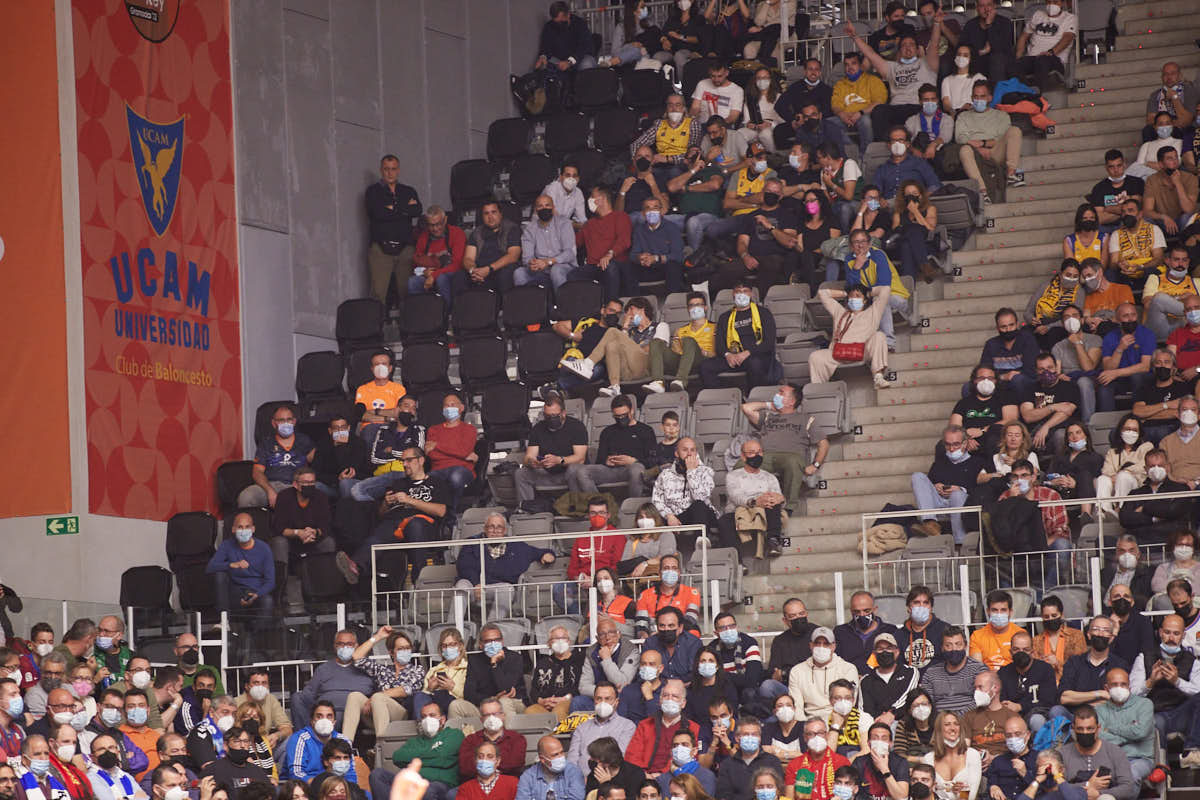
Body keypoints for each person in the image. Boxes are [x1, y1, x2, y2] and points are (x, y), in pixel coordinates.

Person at [339, 446, 449, 589]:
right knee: (380, 531)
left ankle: (419, 580)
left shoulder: (436, 482)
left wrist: (409, 500)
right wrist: (386, 503)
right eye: (402, 461)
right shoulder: (398, 483)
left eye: (408, 460)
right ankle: (356, 567)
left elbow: (441, 511)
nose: (404, 464)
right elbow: (381, 514)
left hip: (422, 522)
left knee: (415, 524)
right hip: (395, 523)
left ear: (421, 460)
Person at [846, 24, 941, 139]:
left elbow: (934, 44)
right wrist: (855, 36)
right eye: (904, 45)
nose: (907, 47)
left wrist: (936, 23)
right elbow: (870, 54)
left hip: (918, 106)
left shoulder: (927, 64)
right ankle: (884, 145)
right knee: (879, 110)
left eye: (911, 44)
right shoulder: (891, 67)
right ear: (899, 50)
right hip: (896, 108)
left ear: (917, 49)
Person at [455, 515, 554, 620]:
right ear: (485, 529)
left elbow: (537, 552)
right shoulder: (472, 543)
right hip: (474, 587)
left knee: (507, 589)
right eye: (491, 527)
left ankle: (491, 628)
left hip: (496, 589)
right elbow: (463, 566)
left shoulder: (516, 546)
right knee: (461, 585)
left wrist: (547, 554)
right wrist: (476, 584)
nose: (495, 531)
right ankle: (453, 628)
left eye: (499, 527)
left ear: (505, 530)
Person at [561, 298, 658, 397]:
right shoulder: (628, 331)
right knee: (611, 346)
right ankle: (615, 387)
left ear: (642, 309)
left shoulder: (659, 326)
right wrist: (625, 328)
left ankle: (587, 364)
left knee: (612, 331)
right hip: (627, 369)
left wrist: (629, 343)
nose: (628, 315)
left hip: (644, 366)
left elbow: (654, 349)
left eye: (631, 309)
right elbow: (622, 351)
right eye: (626, 312)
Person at [720, 179, 799, 296]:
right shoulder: (750, 217)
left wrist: (769, 227)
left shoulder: (787, 215)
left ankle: (759, 300)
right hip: (752, 257)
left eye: (775, 192)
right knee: (726, 270)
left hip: (775, 257)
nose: (771, 194)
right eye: (768, 191)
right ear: (762, 192)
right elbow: (742, 242)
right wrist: (745, 256)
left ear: (781, 196)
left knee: (771, 264)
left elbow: (790, 242)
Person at [368, 701, 462, 800]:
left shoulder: (454, 734)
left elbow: (443, 757)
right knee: (377, 774)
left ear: (442, 720)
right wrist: (432, 752)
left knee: (427, 790)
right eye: (424, 717)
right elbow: (398, 757)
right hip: (412, 782)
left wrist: (414, 757)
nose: (427, 720)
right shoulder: (415, 741)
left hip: (440, 784)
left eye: (432, 715)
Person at [344, 626, 427, 738]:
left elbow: (406, 690)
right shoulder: (383, 670)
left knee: (378, 697)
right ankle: (346, 744)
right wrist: (377, 637)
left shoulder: (417, 670)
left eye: (408, 648)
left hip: (402, 716)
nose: (405, 651)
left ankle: (381, 745)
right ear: (392, 652)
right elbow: (356, 657)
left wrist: (376, 696)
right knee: (354, 696)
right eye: (401, 649)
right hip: (378, 716)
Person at [910, 426, 984, 546]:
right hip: (940, 502)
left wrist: (961, 489)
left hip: (964, 502)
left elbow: (983, 490)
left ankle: (960, 541)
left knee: (957, 494)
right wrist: (935, 486)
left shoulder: (978, 463)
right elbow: (927, 487)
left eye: (956, 444)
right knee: (917, 476)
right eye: (948, 445)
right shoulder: (939, 463)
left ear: (965, 443)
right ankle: (930, 523)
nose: (952, 448)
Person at [287, 631, 375, 730]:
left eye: (349, 644)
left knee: (336, 718)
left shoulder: (367, 669)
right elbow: (308, 695)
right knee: (297, 697)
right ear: (335, 646)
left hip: (355, 714)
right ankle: (306, 738)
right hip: (326, 712)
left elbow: (379, 693)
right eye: (341, 644)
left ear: (357, 646)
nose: (345, 648)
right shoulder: (323, 669)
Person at [514, 395, 588, 510]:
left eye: (554, 416)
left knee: (575, 469)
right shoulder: (538, 428)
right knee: (521, 473)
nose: (551, 419)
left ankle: (578, 508)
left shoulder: (576, 427)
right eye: (547, 416)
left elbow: (580, 458)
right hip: (546, 473)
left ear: (563, 413)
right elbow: (528, 457)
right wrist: (533, 462)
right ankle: (526, 510)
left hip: (568, 474)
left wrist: (559, 460)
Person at [810, 284, 891, 389]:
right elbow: (822, 293)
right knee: (815, 357)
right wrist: (845, 293)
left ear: (865, 300)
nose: (854, 299)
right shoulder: (840, 312)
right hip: (838, 353)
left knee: (879, 336)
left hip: (862, 351)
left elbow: (886, 289)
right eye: (851, 297)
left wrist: (868, 293)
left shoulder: (873, 312)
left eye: (858, 296)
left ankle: (878, 377)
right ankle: (818, 390)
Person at [955, 81, 1024, 204]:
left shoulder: (1001, 115)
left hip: (996, 152)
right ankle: (983, 192)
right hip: (974, 154)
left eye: (982, 96)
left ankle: (1011, 173)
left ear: (990, 98)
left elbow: (1000, 138)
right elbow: (960, 138)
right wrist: (978, 148)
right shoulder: (963, 116)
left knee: (1015, 130)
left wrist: (983, 143)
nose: (978, 100)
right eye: (976, 96)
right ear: (971, 98)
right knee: (964, 149)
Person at [366, 154, 422, 306]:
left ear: (398, 170)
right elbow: (377, 213)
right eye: (386, 169)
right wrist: (404, 209)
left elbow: (417, 210)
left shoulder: (408, 190)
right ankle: (375, 329)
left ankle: (409, 329)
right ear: (381, 170)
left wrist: (392, 209)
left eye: (393, 169)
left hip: (405, 248)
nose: (390, 173)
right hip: (381, 249)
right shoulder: (373, 192)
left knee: (408, 293)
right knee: (378, 294)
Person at [555, 497, 624, 615]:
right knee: (559, 589)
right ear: (588, 515)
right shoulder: (581, 538)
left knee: (602, 592)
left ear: (608, 515)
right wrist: (581, 579)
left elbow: (617, 565)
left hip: (605, 581)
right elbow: (572, 569)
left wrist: (596, 580)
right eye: (593, 513)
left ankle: (596, 619)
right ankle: (579, 620)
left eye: (601, 513)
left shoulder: (618, 536)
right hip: (582, 583)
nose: (597, 516)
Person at [718, 438, 786, 556]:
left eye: (759, 452)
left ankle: (773, 541)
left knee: (772, 504)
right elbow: (736, 497)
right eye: (752, 453)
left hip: (764, 510)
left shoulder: (770, 477)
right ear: (743, 457)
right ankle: (737, 560)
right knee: (724, 522)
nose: (757, 455)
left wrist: (780, 498)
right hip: (739, 511)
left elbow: (777, 496)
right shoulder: (733, 476)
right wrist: (755, 502)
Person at [238, 405, 315, 509]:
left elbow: (318, 461)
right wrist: (270, 491)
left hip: (297, 486)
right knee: (246, 498)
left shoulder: (304, 441)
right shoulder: (266, 443)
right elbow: (257, 472)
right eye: (281, 420)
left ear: (294, 421)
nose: (286, 423)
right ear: (274, 423)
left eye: (289, 420)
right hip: (271, 485)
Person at [205, 513, 274, 625]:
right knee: (220, 575)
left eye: (247, 527)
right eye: (240, 527)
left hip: (255, 592)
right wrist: (231, 565)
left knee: (268, 601)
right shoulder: (227, 545)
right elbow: (210, 567)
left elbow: (270, 581)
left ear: (253, 529)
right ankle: (224, 621)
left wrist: (257, 595)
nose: (243, 530)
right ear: (233, 529)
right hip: (235, 593)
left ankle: (259, 636)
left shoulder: (264, 548)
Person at [1059, 707, 1137, 800]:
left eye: (1090, 728)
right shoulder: (1062, 754)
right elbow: (1056, 788)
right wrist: (1088, 784)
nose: (1085, 732)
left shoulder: (1115, 752)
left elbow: (1128, 788)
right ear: (1073, 728)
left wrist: (1098, 793)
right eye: (1080, 729)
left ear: (1098, 728)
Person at [1118, 447, 1190, 545]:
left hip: (1170, 540)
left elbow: (1173, 511)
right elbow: (1125, 518)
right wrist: (1154, 518)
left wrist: (1144, 508)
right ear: (1146, 469)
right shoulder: (1136, 493)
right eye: (1152, 466)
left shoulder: (1180, 489)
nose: (1156, 469)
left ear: (1168, 467)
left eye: (1160, 465)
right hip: (1140, 541)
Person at [424, 392, 478, 521]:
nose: (449, 408)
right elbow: (433, 455)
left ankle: (449, 514)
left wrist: (437, 445)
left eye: (453, 405)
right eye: (446, 405)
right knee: (427, 481)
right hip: (437, 470)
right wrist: (461, 454)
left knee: (456, 477)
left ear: (461, 408)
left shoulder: (469, 429)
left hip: (462, 470)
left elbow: (465, 450)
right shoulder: (433, 430)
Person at [650, 438, 719, 538]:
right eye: (685, 450)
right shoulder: (665, 475)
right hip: (676, 516)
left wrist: (691, 472)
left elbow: (700, 498)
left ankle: (702, 542)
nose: (689, 453)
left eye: (693, 450)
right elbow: (657, 500)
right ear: (677, 453)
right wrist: (669, 516)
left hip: (701, 514)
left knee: (699, 505)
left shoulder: (706, 472)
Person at [647, 293, 714, 394]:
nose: (695, 308)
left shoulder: (715, 327)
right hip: (682, 361)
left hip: (703, 360)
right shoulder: (680, 330)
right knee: (656, 342)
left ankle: (681, 380)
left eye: (698, 305)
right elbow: (676, 352)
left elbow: (720, 351)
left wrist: (705, 353)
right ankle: (658, 382)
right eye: (691, 305)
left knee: (688, 340)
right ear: (688, 309)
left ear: (705, 307)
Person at [452, 199, 522, 295]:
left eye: (493, 212)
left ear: (500, 214)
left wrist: (488, 269)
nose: (490, 217)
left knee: (505, 275)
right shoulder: (476, 233)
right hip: (479, 270)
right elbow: (468, 258)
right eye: (486, 213)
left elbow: (513, 256)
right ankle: (462, 308)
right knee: (459, 276)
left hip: (499, 268)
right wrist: (473, 271)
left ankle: (504, 308)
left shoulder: (512, 228)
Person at [576, 185, 633, 299]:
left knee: (609, 267)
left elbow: (624, 241)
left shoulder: (620, 216)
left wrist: (610, 254)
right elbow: (574, 243)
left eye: (592, 197)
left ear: (602, 199)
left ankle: (611, 308)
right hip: (593, 266)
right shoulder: (589, 224)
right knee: (572, 274)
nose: (590, 200)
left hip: (616, 264)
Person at [665, 148, 726, 252]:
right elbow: (671, 187)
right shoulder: (682, 176)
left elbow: (715, 185)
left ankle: (694, 257)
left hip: (708, 215)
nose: (697, 154)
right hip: (685, 217)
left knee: (693, 221)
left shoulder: (712, 171)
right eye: (692, 153)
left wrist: (688, 188)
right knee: (657, 220)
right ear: (686, 160)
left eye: (699, 152)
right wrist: (693, 170)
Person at [631, 95, 704, 182]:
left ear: (684, 108)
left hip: (681, 165)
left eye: (678, 105)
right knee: (647, 174)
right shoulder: (659, 124)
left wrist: (668, 159)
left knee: (674, 172)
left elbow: (693, 154)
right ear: (666, 108)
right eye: (670, 105)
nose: (674, 108)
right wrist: (639, 160)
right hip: (659, 164)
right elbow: (636, 144)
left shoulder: (692, 123)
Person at [788, 630, 858, 719]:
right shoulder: (797, 671)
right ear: (811, 645)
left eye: (826, 644)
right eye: (817, 643)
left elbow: (848, 703)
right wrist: (803, 727)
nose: (821, 647)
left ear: (833, 646)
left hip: (838, 719)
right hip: (809, 721)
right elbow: (797, 707)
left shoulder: (848, 669)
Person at [1098, 302, 1154, 414]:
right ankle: (1107, 422)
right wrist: (1119, 349)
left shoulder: (1147, 334)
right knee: (1104, 384)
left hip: (1142, 377)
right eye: (1125, 316)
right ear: (1118, 320)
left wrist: (1116, 373)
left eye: (1133, 315)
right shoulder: (1110, 337)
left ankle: (1137, 416)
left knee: (1136, 377)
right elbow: (1108, 368)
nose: (1130, 319)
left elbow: (1145, 366)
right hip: (1120, 380)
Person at [568, 683, 636, 771]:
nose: (603, 703)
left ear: (616, 702)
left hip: (610, 780)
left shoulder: (627, 726)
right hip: (580, 780)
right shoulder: (581, 727)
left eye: (607, 699)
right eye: (599, 698)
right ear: (594, 701)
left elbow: (619, 758)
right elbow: (572, 759)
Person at [999, 631, 1058, 732]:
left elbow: (1048, 701)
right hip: (1011, 718)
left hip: (1038, 715)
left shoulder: (1045, 669)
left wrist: (1020, 706)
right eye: (1016, 649)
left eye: (1026, 649)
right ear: (1010, 652)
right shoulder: (1003, 673)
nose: (1021, 653)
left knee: (1037, 719)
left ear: (1032, 652)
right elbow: (1002, 702)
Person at [919, 629, 988, 716]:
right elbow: (927, 702)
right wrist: (941, 720)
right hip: (939, 722)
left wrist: (955, 718)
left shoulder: (979, 669)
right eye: (948, 645)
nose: (954, 649)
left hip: (970, 720)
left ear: (965, 646)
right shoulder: (931, 673)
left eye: (958, 644)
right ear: (942, 648)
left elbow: (982, 700)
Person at [408, 207, 466, 309]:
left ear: (445, 220)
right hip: (430, 273)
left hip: (451, 272)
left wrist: (434, 275)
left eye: (438, 224)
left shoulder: (457, 233)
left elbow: (458, 264)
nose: (435, 229)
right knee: (413, 282)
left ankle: (446, 314)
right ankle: (421, 315)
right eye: (431, 225)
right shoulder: (423, 237)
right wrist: (424, 272)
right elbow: (416, 263)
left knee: (441, 278)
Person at [515, 195, 577, 290]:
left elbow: (569, 253)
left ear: (553, 208)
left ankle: (564, 303)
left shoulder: (564, 223)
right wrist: (532, 263)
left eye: (547, 205)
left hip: (564, 266)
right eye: (540, 206)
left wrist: (549, 261)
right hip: (541, 270)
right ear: (536, 210)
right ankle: (527, 304)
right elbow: (527, 258)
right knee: (519, 272)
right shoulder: (530, 229)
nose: (544, 208)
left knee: (556, 270)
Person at [457, 697, 526, 781]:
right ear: (481, 719)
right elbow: (465, 768)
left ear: (503, 716)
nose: (491, 718)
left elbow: (515, 765)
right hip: (476, 783)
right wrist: (496, 764)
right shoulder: (470, 740)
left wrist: (483, 765)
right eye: (487, 715)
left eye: (495, 714)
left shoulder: (517, 739)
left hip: (507, 783)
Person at [1096, 417, 1151, 519]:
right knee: (1102, 479)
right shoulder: (1112, 452)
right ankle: (1104, 512)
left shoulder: (1146, 447)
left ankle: (1121, 511)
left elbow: (1143, 466)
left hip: (1137, 486)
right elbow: (1106, 471)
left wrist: (1125, 471)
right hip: (1115, 487)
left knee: (1123, 476)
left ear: (1140, 433)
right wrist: (1115, 477)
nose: (1130, 432)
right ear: (1121, 431)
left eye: (1134, 430)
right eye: (1127, 429)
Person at [713, 718, 782, 800]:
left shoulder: (773, 761)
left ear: (760, 738)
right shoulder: (727, 764)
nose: (750, 737)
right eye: (746, 734)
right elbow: (722, 795)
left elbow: (779, 791)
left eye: (754, 734)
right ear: (737, 738)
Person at [526, 625, 585, 721]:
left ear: (569, 641)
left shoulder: (578, 661)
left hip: (567, 701)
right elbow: (534, 689)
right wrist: (542, 701)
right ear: (549, 643)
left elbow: (580, 687)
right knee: (530, 711)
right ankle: (547, 734)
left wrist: (563, 699)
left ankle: (557, 734)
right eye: (556, 639)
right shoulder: (543, 663)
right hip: (545, 704)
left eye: (563, 638)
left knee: (559, 711)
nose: (560, 641)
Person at [706, 614, 763, 710]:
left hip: (746, 691)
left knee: (750, 693)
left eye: (732, 626)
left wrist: (724, 675)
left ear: (736, 627)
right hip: (724, 691)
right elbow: (713, 680)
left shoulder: (749, 643)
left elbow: (752, 679)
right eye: (723, 628)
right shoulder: (712, 649)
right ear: (716, 633)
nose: (728, 630)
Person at [1014, 0, 1076, 90]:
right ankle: (1022, 93)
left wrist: (1051, 52)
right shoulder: (1038, 15)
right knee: (1014, 65)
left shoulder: (1070, 18)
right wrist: (1018, 55)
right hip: (1032, 58)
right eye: (1049, 2)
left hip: (1054, 59)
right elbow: (1024, 36)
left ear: (1062, 3)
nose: (1051, 5)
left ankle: (1039, 96)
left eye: (1055, 2)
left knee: (1042, 60)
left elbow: (1067, 38)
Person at [871, 127, 941, 206]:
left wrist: (921, 199)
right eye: (894, 140)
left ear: (907, 144)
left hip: (914, 205)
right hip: (889, 207)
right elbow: (874, 192)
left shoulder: (920, 163)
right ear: (889, 145)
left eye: (901, 140)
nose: (897, 144)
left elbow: (935, 185)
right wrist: (879, 200)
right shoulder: (882, 169)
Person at [859, 634, 919, 726]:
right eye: (880, 649)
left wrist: (892, 713)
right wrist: (881, 722)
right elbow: (865, 710)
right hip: (876, 726)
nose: (884, 652)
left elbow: (908, 698)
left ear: (897, 652)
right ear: (874, 654)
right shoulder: (865, 681)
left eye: (889, 648)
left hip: (905, 725)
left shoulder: (910, 672)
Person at [629, 197, 684, 296]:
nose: (651, 211)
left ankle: (673, 301)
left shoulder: (671, 228)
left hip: (664, 267)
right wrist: (639, 257)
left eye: (655, 208)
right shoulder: (639, 230)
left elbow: (678, 255)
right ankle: (635, 303)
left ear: (661, 211)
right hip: (646, 267)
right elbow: (633, 254)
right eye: (648, 208)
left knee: (673, 266)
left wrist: (656, 258)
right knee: (627, 267)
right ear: (643, 213)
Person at [834, 593, 900, 676]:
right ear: (851, 611)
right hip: (849, 682)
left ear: (875, 609)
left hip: (880, 682)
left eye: (866, 611)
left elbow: (896, 660)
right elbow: (836, 662)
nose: (862, 615)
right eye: (857, 611)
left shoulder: (890, 630)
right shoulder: (841, 632)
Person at [1132, 348, 1188, 445]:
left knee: (1161, 433)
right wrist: (1167, 405)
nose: (1162, 366)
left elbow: (1178, 413)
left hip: (1171, 429)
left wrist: (1147, 416)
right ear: (1153, 367)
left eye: (1166, 362)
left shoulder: (1182, 388)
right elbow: (1137, 412)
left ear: (1173, 367)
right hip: (1146, 430)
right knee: (1115, 433)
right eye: (1158, 362)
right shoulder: (1145, 388)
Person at [577, 615, 638, 704]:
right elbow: (583, 687)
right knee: (578, 702)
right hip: (598, 698)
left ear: (618, 634)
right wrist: (603, 694)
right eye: (602, 634)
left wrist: (606, 659)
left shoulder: (630, 650)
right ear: (597, 638)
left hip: (621, 697)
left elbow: (622, 682)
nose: (607, 637)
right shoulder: (591, 652)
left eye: (611, 632)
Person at [830, 52, 887, 147]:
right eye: (847, 65)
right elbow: (835, 105)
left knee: (865, 121)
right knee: (827, 123)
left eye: (853, 63)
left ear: (860, 66)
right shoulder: (840, 84)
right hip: (846, 118)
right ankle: (852, 149)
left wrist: (860, 113)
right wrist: (841, 114)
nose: (850, 67)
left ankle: (866, 154)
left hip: (865, 115)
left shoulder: (873, 80)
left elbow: (879, 101)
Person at [920, 713, 981, 800]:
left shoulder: (972, 755)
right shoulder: (928, 759)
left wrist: (961, 793)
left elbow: (970, 797)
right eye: (947, 724)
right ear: (939, 730)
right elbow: (926, 794)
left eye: (956, 724)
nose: (953, 728)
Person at [1109, 199, 1165, 293]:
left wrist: (1141, 267)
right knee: (1111, 273)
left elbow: (1158, 258)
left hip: (1147, 270)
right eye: (1123, 212)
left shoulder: (1154, 229)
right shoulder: (1116, 234)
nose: (1126, 214)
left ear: (1140, 214)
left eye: (1130, 211)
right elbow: (1113, 263)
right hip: (1127, 272)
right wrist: (1119, 265)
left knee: (1151, 272)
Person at [962, 671, 1018, 761]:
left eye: (980, 687)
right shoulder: (969, 716)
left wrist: (994, 759)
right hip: (977, 763)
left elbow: (1017, 750)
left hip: (1004, 763)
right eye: (975, 688)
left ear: (995, 688)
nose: (976, 692)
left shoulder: (1012, 716)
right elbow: (964, 749)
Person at [312, 415, 370, 498]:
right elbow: (316, 472)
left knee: (345, 482)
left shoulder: (359, 443)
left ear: (348, 428)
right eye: (336, 428)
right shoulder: (323, 445)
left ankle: (346, 509)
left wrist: (341, 447)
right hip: (332, 485)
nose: (340, 431)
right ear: (330, 431)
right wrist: (337, 478)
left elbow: (353, 469)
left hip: (353, 485)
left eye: (343, 428)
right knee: (315, 486)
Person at [1144, 151, 1198, 237]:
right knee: (1145, 220)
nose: (1175, 161)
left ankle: (1185, 245)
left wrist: (1178, 183)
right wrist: (1164, 217)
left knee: (1188, 217)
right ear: (1161, 164)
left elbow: (1189, 210)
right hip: (1162, 222)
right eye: (1170, 158)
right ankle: (1158, 247)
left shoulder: (1191, 178)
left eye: (1176, 157)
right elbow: (1147, 211)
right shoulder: (1152, 180)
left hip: (1182, 223)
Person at [1143, 62, 1199, 144]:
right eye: (1165, 74)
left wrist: (1174, 97)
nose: (1169, 77)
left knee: (1183, 130)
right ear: (1162, 77)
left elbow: (1185, 121)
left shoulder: (1189, 91)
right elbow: (1151, 120)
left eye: (1173, 73)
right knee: (1147, 130)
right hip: (1163, 128)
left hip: (1184, 130)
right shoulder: (1156, 95)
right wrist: (1169, 124)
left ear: (1179, 75)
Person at [515, 735, 584, 800]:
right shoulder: (528, 777)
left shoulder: (574, 772)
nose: (561, 757)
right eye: (555, 755)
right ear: (542, 759)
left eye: (562, 752)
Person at [641, 606, 703, 678]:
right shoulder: (650, 643)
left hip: (686, 687)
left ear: (680, 628)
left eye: (671, 625)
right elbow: (644, 672)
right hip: (658, 687)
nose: (666, 629)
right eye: (662, 625)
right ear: (657, 628)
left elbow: (696, 676)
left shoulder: (693, 643)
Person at [850, 724, 909, 800]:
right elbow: (852, 791)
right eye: (875, 738)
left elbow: (901, 797)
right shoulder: (859, 762)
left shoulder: (900, 762)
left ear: (891, 744)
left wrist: (884, 769)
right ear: (868, 743)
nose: (879, 742)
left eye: (884, 739)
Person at [534, 2, 597, 72]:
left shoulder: (580, 24)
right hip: (559, 60)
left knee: (587, 64)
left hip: (579, 58)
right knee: (545, 66)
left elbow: (584, 46)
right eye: (555, 22)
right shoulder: (549, 27)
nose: (558, 25)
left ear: (568, 15)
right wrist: (543, 57)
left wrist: (569, 62)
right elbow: (545, 45)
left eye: (561, 21)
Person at [961, 0, 1014, 82]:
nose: (986, 9)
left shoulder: (1005, 23)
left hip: (1001, 63)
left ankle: (997, 93)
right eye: (982, 6)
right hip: (977, 62)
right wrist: (982, 52)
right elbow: (963, 48)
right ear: (977, 8)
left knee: (997, 58)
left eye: (989, 5)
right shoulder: (970, 25)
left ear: (994, 6)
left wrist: (989, 24)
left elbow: (1000, 49)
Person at [1100, 535, 1155, 610]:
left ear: (1138, 554)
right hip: (1106, 614)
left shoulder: (1148, 573)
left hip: (1132, 614)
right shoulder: (1105, 573)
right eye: (1122, 551)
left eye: (1131, 551)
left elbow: (1143, 601)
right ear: (1116, 554)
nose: (1127, 555)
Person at [619, 146, 672, 221]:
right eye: (639, 156)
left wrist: (653, 185)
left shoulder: (659, 179)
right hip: (634, 218)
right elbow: (617, 214)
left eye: (647, 156)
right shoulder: (626, 181)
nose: (643, 159)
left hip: (656, 218)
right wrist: (622, 192)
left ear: (653, 160)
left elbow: (665, 209)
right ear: (634, 160)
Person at [617, 649, 665, 724]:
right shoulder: (628, 690)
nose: (646, 667)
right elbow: (621, 720)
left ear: (661, 668)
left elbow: (662, 723)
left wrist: (649, 698)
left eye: (651, 664)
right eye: (643, 664)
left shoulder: (668, 691)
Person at [691, 62, 744, 126]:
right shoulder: (702, 84)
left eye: (719, 76)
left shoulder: (737, 90)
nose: (716, 79)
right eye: (713, 76)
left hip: (723, 125)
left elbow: (733, 116)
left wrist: (718, 126)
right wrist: (692, 118)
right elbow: (695, 107)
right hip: (702, 124)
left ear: (727, 73)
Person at [892, 691, 935, 765]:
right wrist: (919, 760)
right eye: (916, 705)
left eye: (924, 704)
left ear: (930, 706)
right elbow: (899, 753)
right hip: (912, 766)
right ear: (909, 710)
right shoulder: (903, 724)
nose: (921, 708)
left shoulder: (940, 722)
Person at [942, 44, 987, 114]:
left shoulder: (979, 77)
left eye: (965, 55)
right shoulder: (947, 80)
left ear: (971, 58)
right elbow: (946, 103)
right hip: (954, 114)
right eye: (959, 54)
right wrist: (953, 113)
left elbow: (983, 100)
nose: (961, 57)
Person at [1064, 205, 1109, 271]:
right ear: (1079, 220)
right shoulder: (1069, 240)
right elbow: (1071, 267)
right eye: (1085, 218)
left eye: (1092, 218)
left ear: (1096, 219)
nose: (1088, 220)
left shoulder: (1104, 237)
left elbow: (1103, 265)